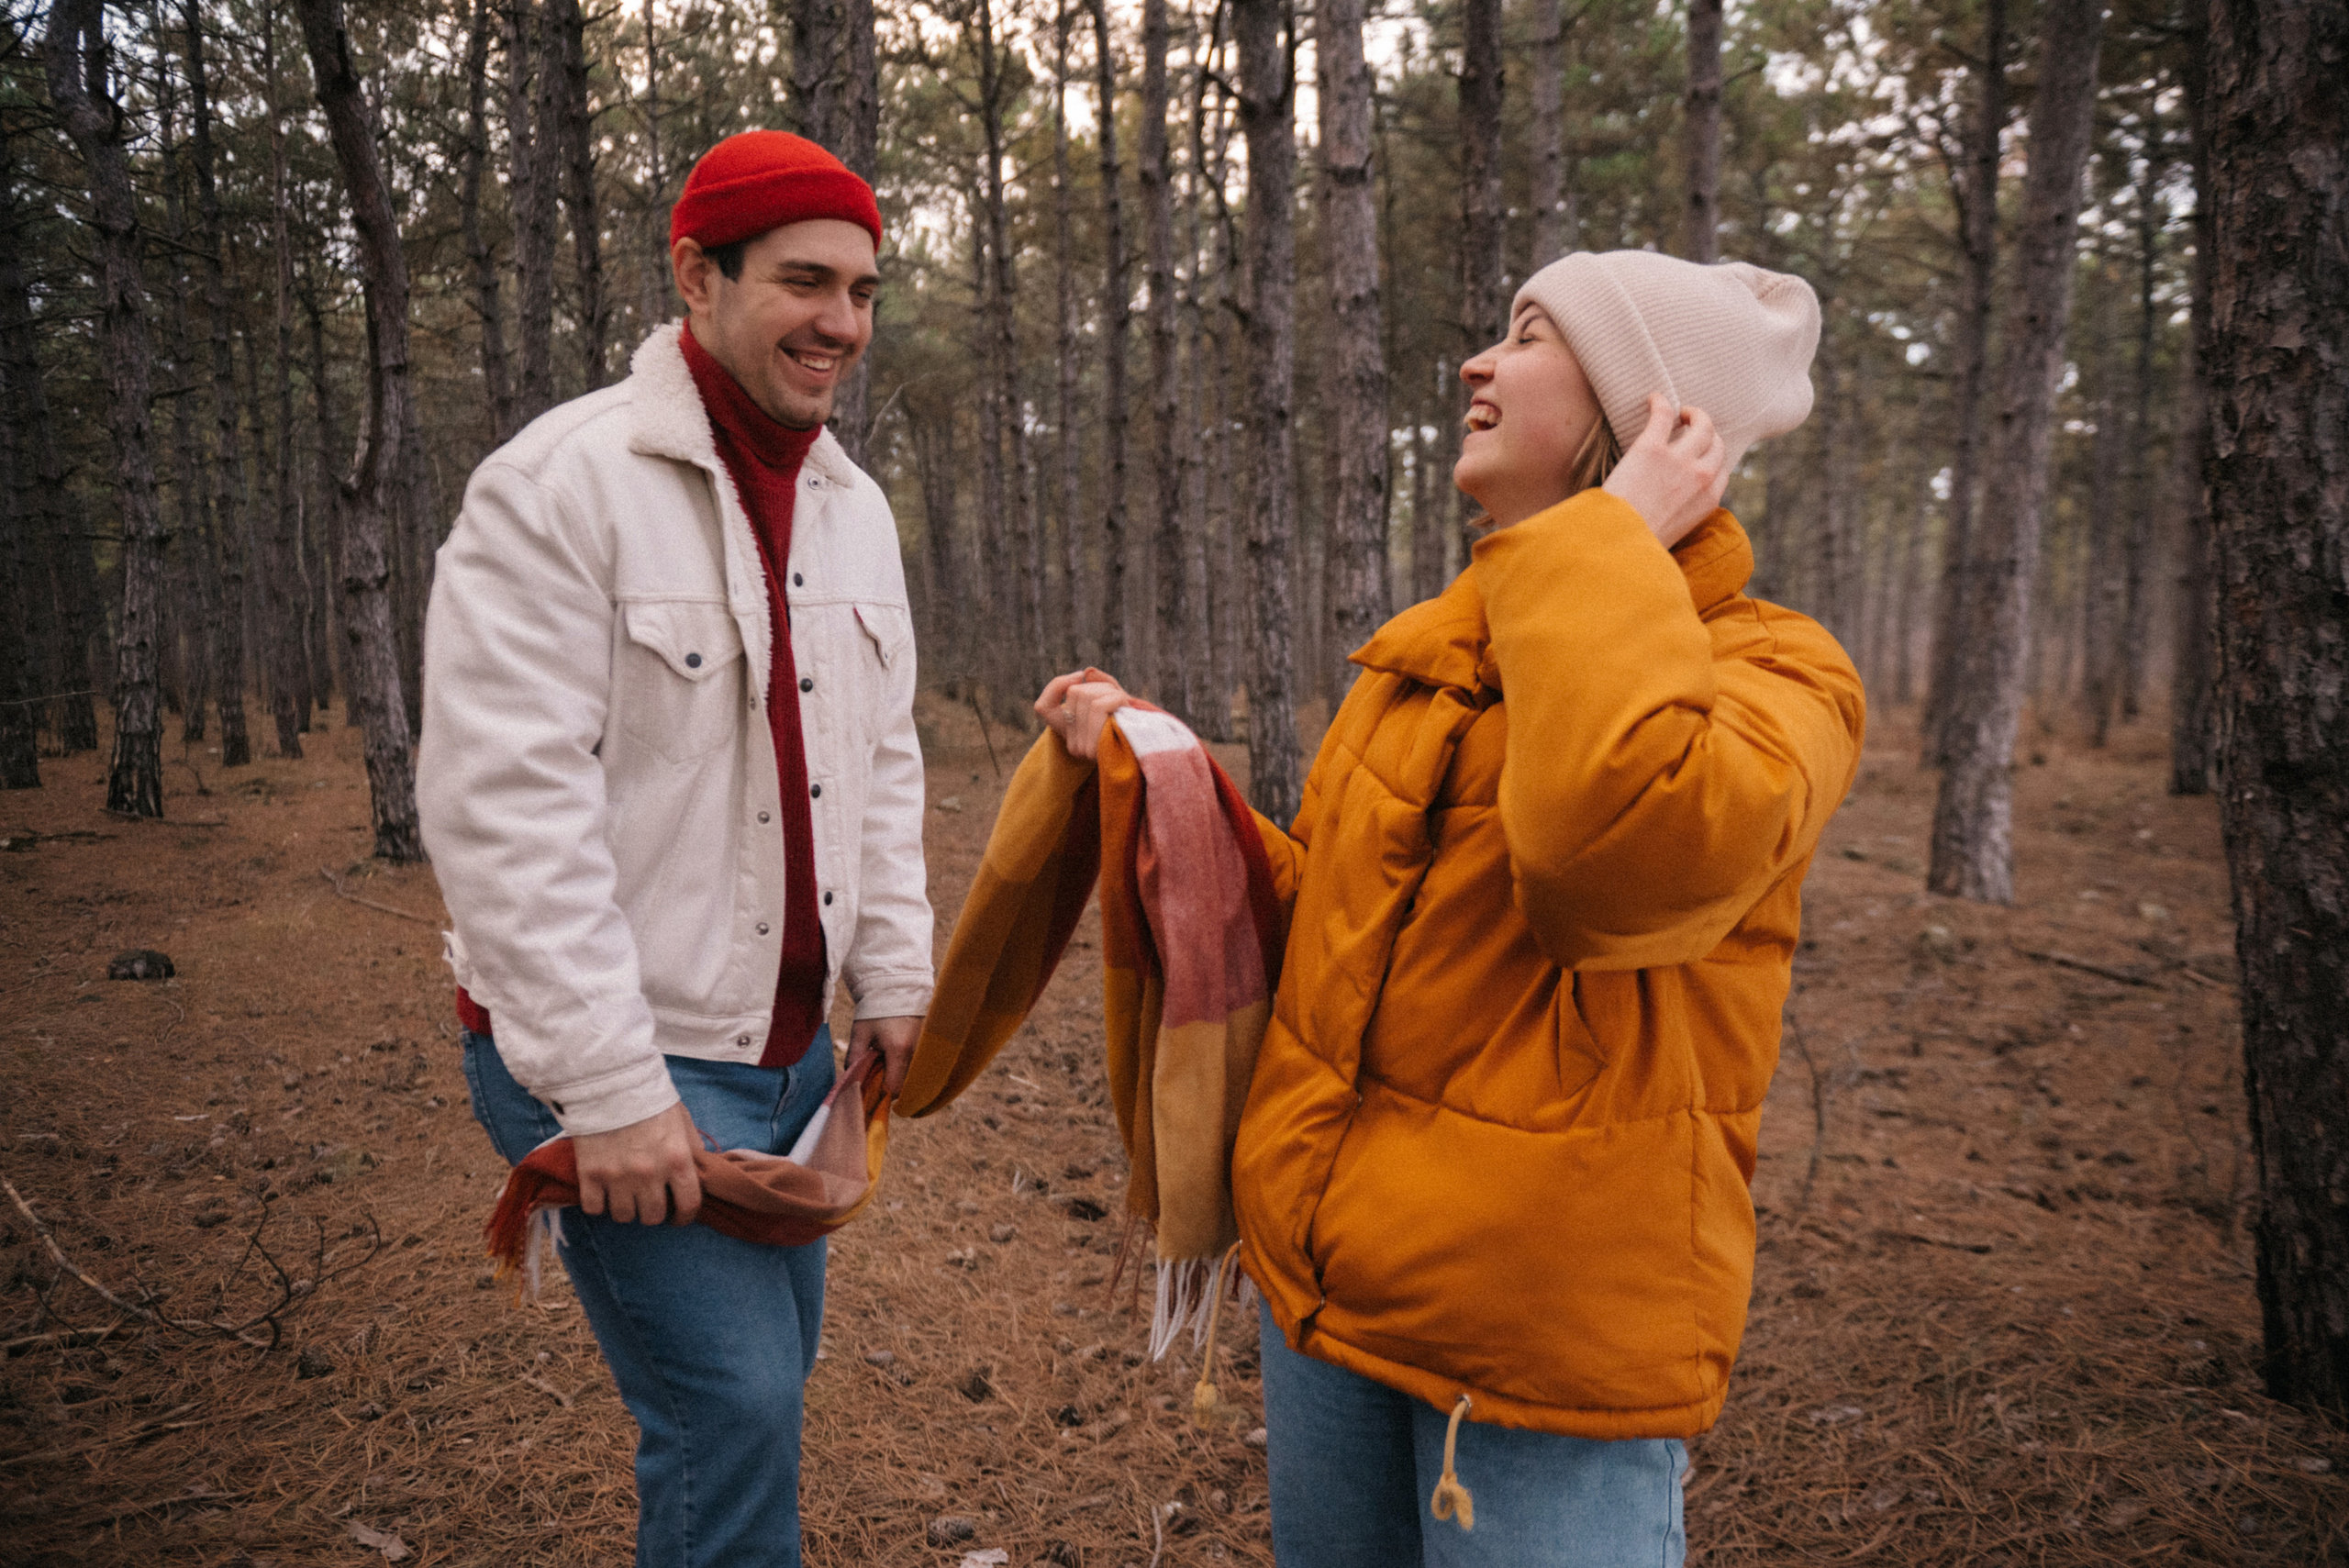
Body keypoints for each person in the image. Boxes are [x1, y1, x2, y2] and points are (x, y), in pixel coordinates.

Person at [1038, 250, 1864, 1565]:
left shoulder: (1777, 677)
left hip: (1535, 1347)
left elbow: (1610, 868)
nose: (1478, 363)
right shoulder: (1429, 653)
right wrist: (1165, 772)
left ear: (1649, 415)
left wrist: (1602, 544)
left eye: (1531, 336)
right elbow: (1334, 930)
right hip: (1331, 1290)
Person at [417, 130, 932, 1568]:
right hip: (622, 1058)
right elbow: (503, 812)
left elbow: (879, 763)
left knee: (763, 1396)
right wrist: (614, 1087)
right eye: (807, 281)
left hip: (793, 1065)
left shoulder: (854, 506)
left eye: (867, 289)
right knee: (735, 1407)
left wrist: (894, 970)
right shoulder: (559, 488)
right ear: (696, 277)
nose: (845, 321)